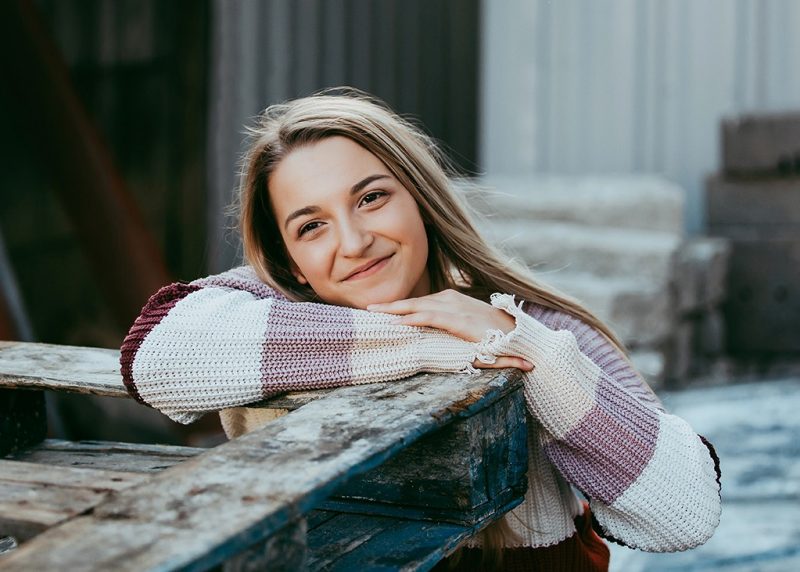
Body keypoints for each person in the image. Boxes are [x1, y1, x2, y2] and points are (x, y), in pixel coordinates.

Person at [120, 88, 721, 571]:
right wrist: (443, 341)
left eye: (372, 198)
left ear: (420, 198)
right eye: (311, 226)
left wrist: (523, 348)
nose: (353, 244)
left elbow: (685, 511)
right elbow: (156, 357)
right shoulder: (278, 308)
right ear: (289, 265)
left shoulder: (535, 327)